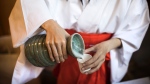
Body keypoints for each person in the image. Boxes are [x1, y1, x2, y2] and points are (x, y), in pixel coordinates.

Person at [9, 0, 150, 84]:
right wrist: (50, 24)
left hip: (101, 55)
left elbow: (137, 25)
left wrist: (109, 45)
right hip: (63, 50)